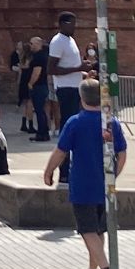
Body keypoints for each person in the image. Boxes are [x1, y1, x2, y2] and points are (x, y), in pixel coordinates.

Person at [44, 83, 126, 269]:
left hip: (82, 185)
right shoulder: (111, 122)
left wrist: (49, 171)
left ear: (81, 99)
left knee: (88, 231)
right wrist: (113, 175)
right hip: (105, 187)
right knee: (98, 232)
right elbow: (123, 153)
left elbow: (61, 151)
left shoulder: (75, 122)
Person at [48, 14, 86, 163]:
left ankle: (70, 161)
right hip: (65, 89)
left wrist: (83, 71)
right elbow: (51, 69)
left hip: (74, 87)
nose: (75, 27)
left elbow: (71, 66)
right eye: (72, 24)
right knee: (68, 126)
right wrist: (78, 68)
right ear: (63, 24)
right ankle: (64, 165)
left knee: (74, 125)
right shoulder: (58, 42)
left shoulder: (70, 40)